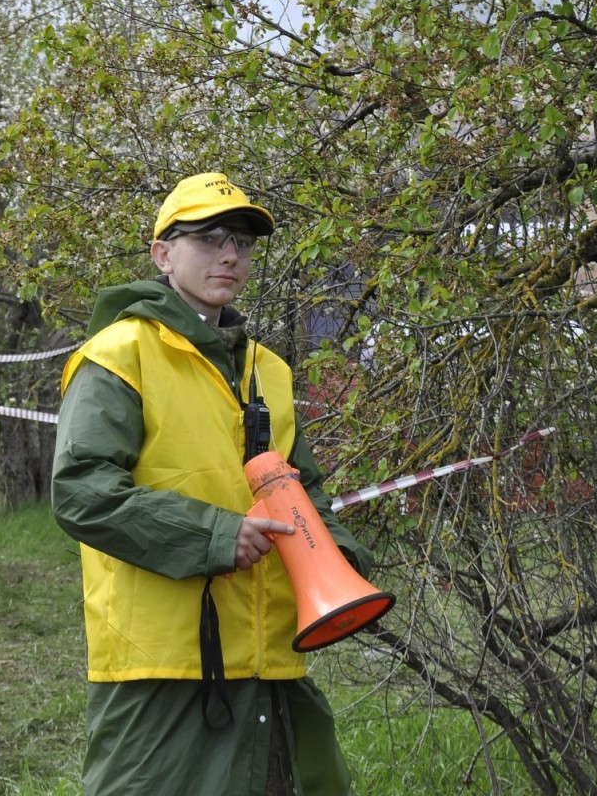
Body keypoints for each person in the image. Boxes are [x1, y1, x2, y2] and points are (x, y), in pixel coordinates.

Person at [51, 172, 374, 795]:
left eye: (243, 242)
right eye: (209, 238)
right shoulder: (120, 354)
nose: (230, 254)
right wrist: (216, 535)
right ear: (162, 254)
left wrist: (342, 561)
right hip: (162, 667)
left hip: (267, 662)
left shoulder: (268, 369)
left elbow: (301, 489)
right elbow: (82, 491)